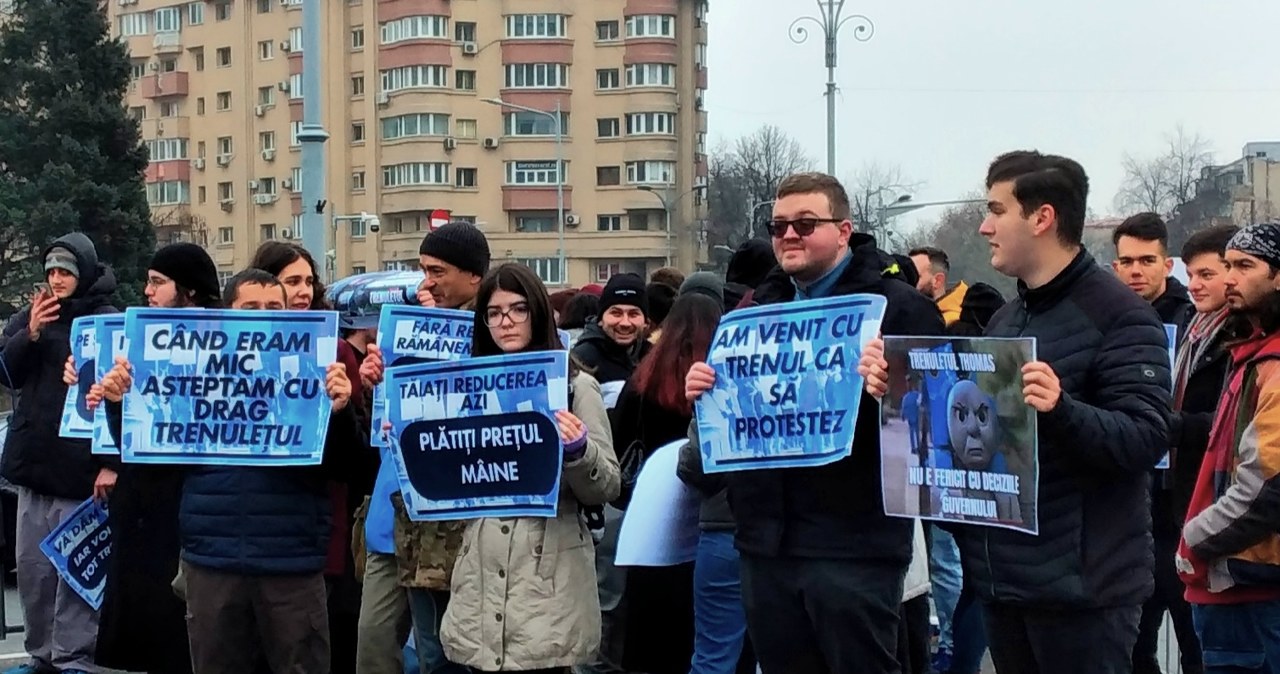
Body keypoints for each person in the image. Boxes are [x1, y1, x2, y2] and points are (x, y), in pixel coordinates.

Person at [862, 150, 1171, 674]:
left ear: (1042, 217)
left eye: (996, 210)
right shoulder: (1007, 320)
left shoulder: (1121, 316)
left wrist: (1061, 409)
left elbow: (1146, 437)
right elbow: (975, 445)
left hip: (1084, 593)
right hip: (1005, 583)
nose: (985, 227)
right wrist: (897, 397)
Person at [683, 172, 943, 673]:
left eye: (805, 223)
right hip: (765, 542)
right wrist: (708, 394)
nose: (788, 236)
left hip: (853, 545)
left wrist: (895, 392)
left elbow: (936, 429)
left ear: (844, 231)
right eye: (777, 226)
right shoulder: (756, 308)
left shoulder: (900, 307)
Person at [98, 268, 361, 674]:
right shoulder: (194, 379)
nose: (262, 316)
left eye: (274, 307)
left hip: (291, 563)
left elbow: (351, 467)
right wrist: (120, 404)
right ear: (227, 314)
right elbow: (150, 464)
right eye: (250, 307)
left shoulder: (315, 377)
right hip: (213, 562)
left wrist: (341, 413)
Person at [438, 262, 621, 673]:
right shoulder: (466, 388)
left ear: (537, 312)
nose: (506, 322)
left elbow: (607, 485)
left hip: (548, 575)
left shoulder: (576, 386)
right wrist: (411, 441)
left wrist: (578, 451)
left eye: (518, 309)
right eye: (494, 312)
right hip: (482, 577)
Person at [356, 222, 490, 674]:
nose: (427, 282)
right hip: (391, 515)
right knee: (375, 646)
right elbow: (385, 423)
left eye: (438, 271)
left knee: (440, 654)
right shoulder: (406, 330)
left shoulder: (495, 333)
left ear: (474, 277)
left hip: (451, 525)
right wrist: (375, 377)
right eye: (423, 271)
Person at [85, 243, 222, 674]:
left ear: (191, 292)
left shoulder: (224, 348)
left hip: (192, 510)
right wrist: (107, 397)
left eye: (158, 283)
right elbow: (130, 440)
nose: (147, 291)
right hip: (144, 509)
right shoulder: (137, 341)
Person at [251, 242, 374, 674]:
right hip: (255, 526)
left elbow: (357, 452)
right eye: (292, 282)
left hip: (322, 516)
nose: (303, 291)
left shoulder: (336, 352)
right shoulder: (238, 353)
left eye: (308, 281)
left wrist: (348, 404)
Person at [0, 232, 118, 674]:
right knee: (32, 570)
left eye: (65, 271)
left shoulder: (107, 318)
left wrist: (111, 463)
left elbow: (122, 395)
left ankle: (74, 657)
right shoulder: (32, 316)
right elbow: (6, 373)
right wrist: (28, 333)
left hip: (79, 472)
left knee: (75, 573)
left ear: (82, 272)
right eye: (50, 271)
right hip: (32, 466)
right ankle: (40, 655)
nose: (56, 279)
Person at [1131, 226, 1237, 674]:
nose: (1194, 285)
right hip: (1164, 500)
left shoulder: (1241, 339)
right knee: (1136, 639)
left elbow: (1235, 427)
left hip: (1210, 508)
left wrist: (1173, 427)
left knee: (1200, 643)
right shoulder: (1192, 329)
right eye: (1190, 274)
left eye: (1206, 274)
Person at [1177, 222, 1280, 673]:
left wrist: (1194, 540)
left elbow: (1267, 489)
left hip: (1254, 587)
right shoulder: (1249, 354)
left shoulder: (1273, 366)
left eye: (1245, 265)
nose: (1230, 278)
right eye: (1228, 265)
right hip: (1235, 580)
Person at [611, 294, 724, 674]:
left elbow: (617, 444)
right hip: (709, 522)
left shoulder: (643, 378)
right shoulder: (717, 380)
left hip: (650, 528)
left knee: (650, 637)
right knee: (705, 637)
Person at [1112, 212, 1194, 330]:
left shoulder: (1190, 324)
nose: (1136, 271)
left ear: (1167, 267)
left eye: (1147, 261)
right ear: (1116, 268)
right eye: (1127, 262)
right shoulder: (1101, 322)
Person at [909, 246, 968, 325]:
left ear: (937, 281)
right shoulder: (920, 314)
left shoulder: (951, 324)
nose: (908, 281)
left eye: (915, 276)